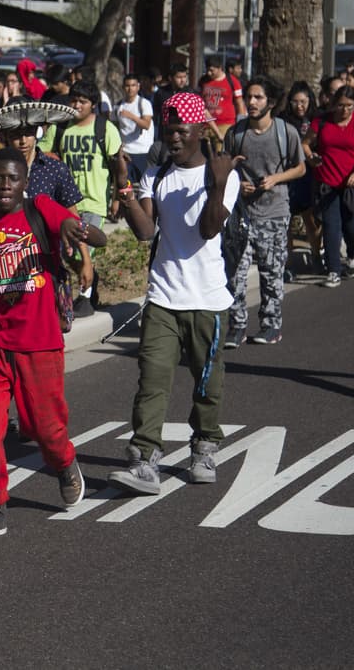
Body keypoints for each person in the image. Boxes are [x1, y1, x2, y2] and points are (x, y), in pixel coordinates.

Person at [0, 147, 107, 543]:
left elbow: (99, 238)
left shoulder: (42, 208)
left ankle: (65, 463)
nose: (4, 185)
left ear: (24, 183)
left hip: (38, 341)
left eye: (13, 178)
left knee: (45, 430)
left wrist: (80, 231)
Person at [107, 93, 240, 494]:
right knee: (152, 380)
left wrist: (216, 184)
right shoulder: (158, 173)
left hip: (209, 301)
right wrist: (126, 192)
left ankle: (203, 447)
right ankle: (145, 460)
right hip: (163, 297)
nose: (175, 139)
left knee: (206, 383)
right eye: (169, 132)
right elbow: (146, 231)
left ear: (201, 130)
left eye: (182, 131)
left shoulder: (223, 174)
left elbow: (209, 229)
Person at [223, 76, 305, 347]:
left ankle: (271, 326)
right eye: (249, 97)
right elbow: (225, 168)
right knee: (235, 273)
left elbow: (300, 167)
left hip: (274, 214)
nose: (252, 102)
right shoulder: (236, 133)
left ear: (270, 102)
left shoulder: (285, 132)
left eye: (258, 97)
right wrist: (238, 184)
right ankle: (236, 326)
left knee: (271, 273)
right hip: (242, 216)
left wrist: (276, 179)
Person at [45, 79, 122, 314]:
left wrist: (117, 197)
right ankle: (90, 279)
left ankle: (85, 298)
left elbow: (118, 164)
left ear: (93, 105)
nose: (77, 105)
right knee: (67, 253)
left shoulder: (105, 129)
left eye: (83, 101)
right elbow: (44, 151)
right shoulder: (60, 127)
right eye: (74, 100)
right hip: (67, 202)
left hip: (95, 201)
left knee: (83, 248)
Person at [303, 85, 354, 287]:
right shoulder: (322, 121)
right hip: (327, 182)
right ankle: (333, 270)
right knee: (331, 227)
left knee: (353, 227)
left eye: (350, 106)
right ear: (334, 104)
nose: (345, 110)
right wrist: (311, 158)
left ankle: (352, 254)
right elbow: (305, 143)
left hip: (353, 183)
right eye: (341, 105)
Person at [281, 82, 322, 272]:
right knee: (286, 220)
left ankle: (316, 254)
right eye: (295, 102)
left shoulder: (316, 119)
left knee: (311, 219)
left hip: (310, 175)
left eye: (303, 102)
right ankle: (287, 263)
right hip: (287, 174)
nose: (299, 106)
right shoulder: (282, 120)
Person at [115, 73, 156, 183]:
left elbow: (146, 125)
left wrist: (132, 116)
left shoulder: (144, 103)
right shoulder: (119, 106)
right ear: (123, 87)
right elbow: (114, 125)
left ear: (138, 86)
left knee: (144, 185)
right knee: (126, 186)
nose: (130, 89)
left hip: (143, 151)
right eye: (127, 86)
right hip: (126, 151)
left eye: (133, 85)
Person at [199, 55, 245, 136]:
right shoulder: (203, 81)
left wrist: (241, 123)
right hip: (206, 125)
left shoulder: (233, 81)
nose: (209, 73)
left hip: (225, 125)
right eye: (207, 70)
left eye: (212, 70)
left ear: (220, 68)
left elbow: (239, 103)